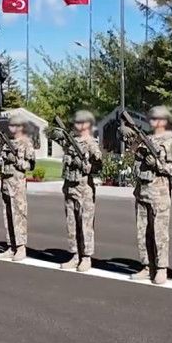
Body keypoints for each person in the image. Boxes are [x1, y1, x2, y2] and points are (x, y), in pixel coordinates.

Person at [123, 107, 172, 285]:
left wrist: (157, 164)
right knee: (143, 232)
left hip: (159, 193)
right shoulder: (144, 139)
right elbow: (131, 154)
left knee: (159, 233)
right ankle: (147, 266)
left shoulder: (170, 142)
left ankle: (161, 268)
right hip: (142, 191)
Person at [58, 110, 103, 272]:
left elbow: (98, 165)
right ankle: (75, 254)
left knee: (85, 224)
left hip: (84, 189)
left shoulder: (91, 143)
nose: (76, 125)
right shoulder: (70, 142)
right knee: (71, 223)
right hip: (69, 187)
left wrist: (87, 163)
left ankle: (86, 257)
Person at [0, 115, 36, 261]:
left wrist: (18, 162)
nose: (11, 128)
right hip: (6, 183)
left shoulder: (26, 143)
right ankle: (11, 245)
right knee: (7, 215)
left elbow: (30, 165)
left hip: (17, 184)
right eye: (10, 126)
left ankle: (21, 247)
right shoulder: (7, 143)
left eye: (14, 126)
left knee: (18, 215)